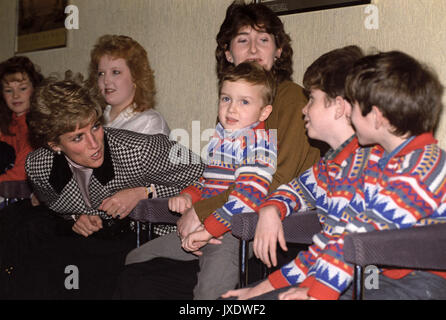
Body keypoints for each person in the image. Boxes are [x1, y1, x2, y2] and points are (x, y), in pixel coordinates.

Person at [118, 0, 323, 300]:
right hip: (222, 220)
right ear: (229, 53)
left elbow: (272, 182)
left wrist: (202, 214)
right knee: (135, 266)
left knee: (151, 283)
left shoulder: (290, 97)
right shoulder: (233, 109)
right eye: (243, 40)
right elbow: (217, 175)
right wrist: (193, 196)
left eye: (263, 40)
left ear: (278, 51)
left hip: (267, 232)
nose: (253, 49)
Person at [223, 50, 446, 300]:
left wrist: (315, 293)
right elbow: (335, 237)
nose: (351, 113)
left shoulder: (420, 166)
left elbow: (356, 233)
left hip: (419, 283)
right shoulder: (383, 163)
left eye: (356, 105)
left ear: (376, 116)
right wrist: (271, 286)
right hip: (372, 275)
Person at [0, 77, 204, 299]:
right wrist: (75, 216)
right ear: (55, 145)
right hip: (88, 240)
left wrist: (145, 192)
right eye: (78, 137)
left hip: (144, 238)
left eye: (95, 127)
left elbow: (207, 176)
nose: (94, 143)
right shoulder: (39, 166)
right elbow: (54, 203)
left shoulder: (137, 149)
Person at [123, 62, 277, 299]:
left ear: (264, 112)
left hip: (232, 235)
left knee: (208, 292)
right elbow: (209, 183)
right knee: (136, 258)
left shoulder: (259, 144)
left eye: (244, 102)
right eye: (226, 99)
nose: (232, 109)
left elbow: (247, 198)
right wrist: (189, 195)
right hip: (204, 227)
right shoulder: (222, 138)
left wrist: (209, 230)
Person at [89, 34, 175, 236]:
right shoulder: (94, 120)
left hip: (137, 227)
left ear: (136, 77)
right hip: (99, 219)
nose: (106, 80)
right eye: (101, 73)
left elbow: (167, 182)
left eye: (115, 72)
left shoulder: (150, 122)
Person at [0, 56, 43, 208]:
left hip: (22, 194)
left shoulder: (37, 125)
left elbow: (23, 172)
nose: (15, 96)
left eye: (22, 89)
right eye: (8, 90)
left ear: (34, 89)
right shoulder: (6, 122)